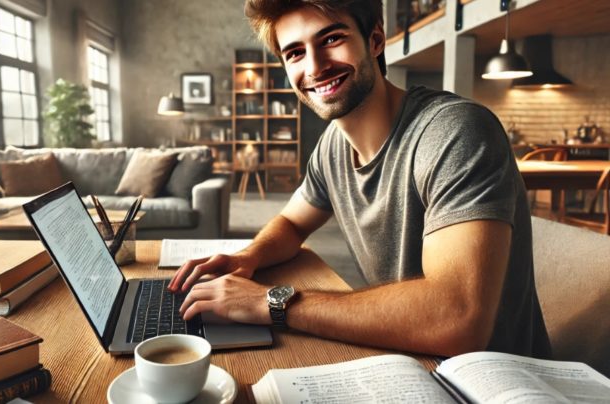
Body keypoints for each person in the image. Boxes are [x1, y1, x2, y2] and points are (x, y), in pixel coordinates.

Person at [169, 0, 551, 358]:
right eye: (295, 53)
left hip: (488, 378)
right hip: (407, 355)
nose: (315, 67)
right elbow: (290, 222)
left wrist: (269, 301)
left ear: (375, 40)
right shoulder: (333, 144)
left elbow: (458, 319)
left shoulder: (455, 131)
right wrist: (245, 258)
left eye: (331, 39)